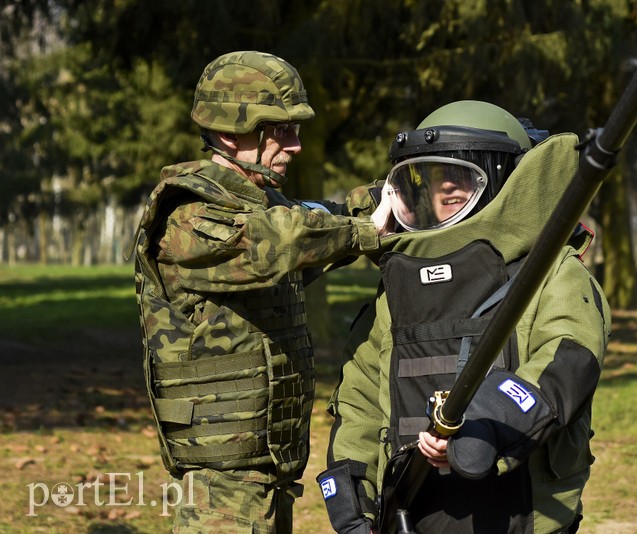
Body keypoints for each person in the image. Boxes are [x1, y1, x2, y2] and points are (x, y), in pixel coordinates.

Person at [317, 100, 611, 533]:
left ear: (502, 181)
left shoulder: (550, 272)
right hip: (413, 513)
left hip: (522, 512)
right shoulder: (396, 289)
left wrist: (488, 425)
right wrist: (350, 491)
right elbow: (360, 397)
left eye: (461, 175)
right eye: (432, 178)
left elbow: (568, 357)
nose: (447, 189)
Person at [133, 50, 392, 533]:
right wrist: (365, 231)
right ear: (233, 132)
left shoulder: (265, 204)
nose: (294, 146)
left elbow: (320, 220)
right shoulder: (188, 215)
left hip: (268, 473)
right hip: (222, 485)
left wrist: (392, 193)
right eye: (282, 131)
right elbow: (279, 242)